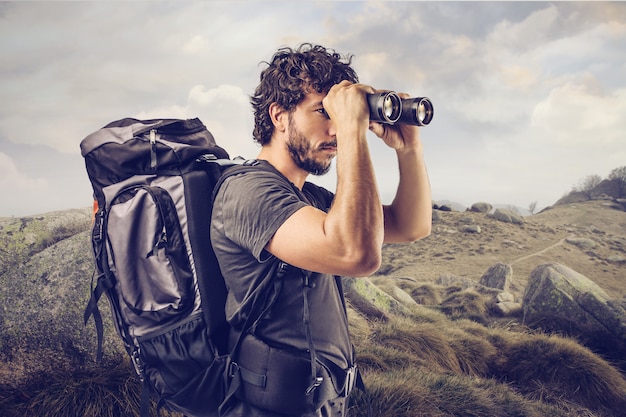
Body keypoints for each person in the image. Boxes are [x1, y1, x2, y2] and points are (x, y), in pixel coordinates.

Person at [210, 43, 432, 417]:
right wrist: (352, 132)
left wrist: (409, 150)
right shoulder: (249, 191)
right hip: (270, 407)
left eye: (339, 115)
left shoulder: (306, 195)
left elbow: (410, 226)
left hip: (318, 402)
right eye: (323, 112)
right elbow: (355, 253)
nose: (334, 129)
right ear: (279, 116)